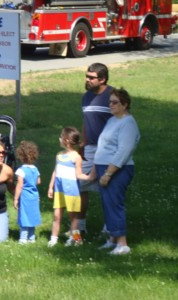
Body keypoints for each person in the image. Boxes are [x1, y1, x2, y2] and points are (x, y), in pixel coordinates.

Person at [94, 87, 140, 255]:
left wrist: (108, 173)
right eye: (110, 102)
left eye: (115, 102)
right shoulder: (113, 120)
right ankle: (113, 239)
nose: (111, 105)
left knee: (114, 203)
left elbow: (124, 151)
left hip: (117, 170)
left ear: (125, 104)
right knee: (107, 204)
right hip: (104, 167)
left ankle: (122, 244)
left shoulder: (128, 123)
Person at [79, 62, 113, 235]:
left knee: (107, 188)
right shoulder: (86, 97)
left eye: (91, 78)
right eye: (87, 76)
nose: (87, 80)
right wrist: (83, 144)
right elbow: (87, 121)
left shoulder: (112, 96)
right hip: (90, 148)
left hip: (108, 150)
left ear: (103, 79)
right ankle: (80, 227)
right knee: (81, 186)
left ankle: (110, 229)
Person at [47, 127, 95, 247]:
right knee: (57, 216)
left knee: (73, 218)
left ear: (67, 140)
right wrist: (50, 186)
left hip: (72, 192)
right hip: (59, 191)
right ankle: (53, 239)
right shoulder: (59, 155)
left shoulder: (76, 157)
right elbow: (55, 171)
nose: (59, 139)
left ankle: (76, 240)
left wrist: (89, 177)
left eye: (61, 137)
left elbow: (78, 174)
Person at [14, 141, 41, 245]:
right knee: (32, 215)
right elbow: (38, 181)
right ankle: (32, 237)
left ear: (21, 156)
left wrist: (16, 199)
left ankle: (23, 238)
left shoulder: (21, 170)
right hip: (34, 196)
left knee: (24, 216)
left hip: (25, 197)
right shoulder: (35, 169)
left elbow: (19, 185)